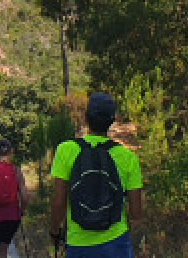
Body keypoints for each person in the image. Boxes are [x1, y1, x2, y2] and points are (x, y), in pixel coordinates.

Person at [49, 92, 144, 258]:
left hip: (79, 243)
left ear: (86, 118)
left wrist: (55, 231)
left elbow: (59, 202)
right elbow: (136, 213)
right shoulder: (128, 158)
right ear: (112, 121)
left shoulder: (66, 150)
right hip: (116, 242)